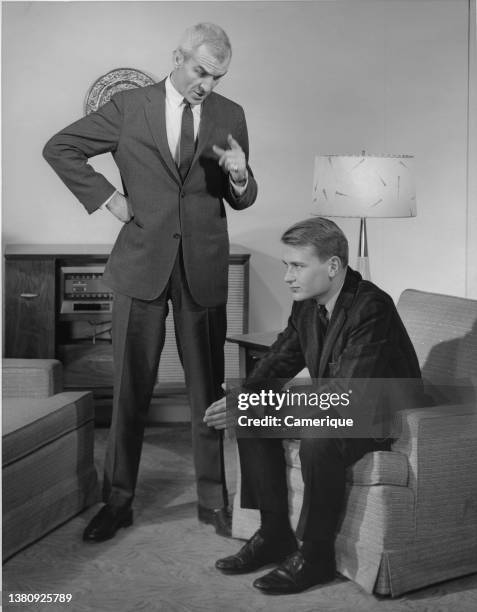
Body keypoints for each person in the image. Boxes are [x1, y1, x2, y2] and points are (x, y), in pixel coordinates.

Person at [43, 22, 257, 542]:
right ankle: (117, 500)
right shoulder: (129, 106)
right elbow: (60, 147)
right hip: (141, 264)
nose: (205, 84)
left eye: (217, 76)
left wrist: (240, 175)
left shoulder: (231, 115)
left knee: (208, 390)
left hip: (202, 268)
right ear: (178, 56)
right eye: (199, 71)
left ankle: (214, 500)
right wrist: (106, 198)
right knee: (130, 390)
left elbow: (242, 197)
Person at [204, 217, 421, 594]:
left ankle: (317, 555)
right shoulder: (306, 305)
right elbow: (281, 357)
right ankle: (274, 534)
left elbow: (349, 394)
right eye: (286, 265)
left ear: (333, 266)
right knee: (251, 414)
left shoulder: (372, 306)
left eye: (298, 266)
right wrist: (242, 398)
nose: (288, 276)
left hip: (380, 417)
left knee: (319, 437)